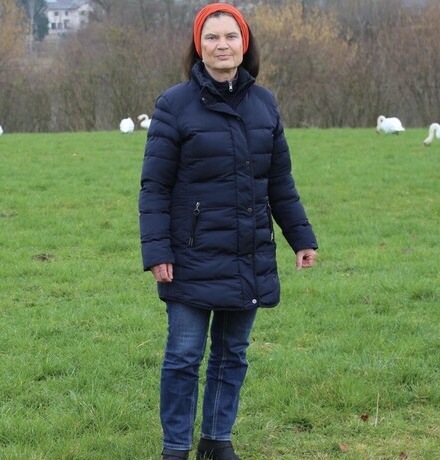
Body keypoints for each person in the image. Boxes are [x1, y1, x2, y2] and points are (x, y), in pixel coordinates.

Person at [138, 3, 318, 460]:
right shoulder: (173, 104)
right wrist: (158, 250)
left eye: (231, 37)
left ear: (245, 44)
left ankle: (217, 442)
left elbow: (279, 182)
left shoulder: (265, 104)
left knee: (232, 353)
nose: (223, 45)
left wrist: (301, 236)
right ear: (199, 47)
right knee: (183, 357)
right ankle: (175, 448)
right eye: (212, 37)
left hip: (247, 252)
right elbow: (154, 187)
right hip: (190, 255)